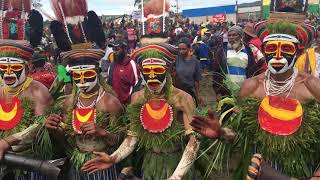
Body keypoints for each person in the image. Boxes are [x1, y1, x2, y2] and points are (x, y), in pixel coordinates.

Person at [191, 19, 320, 179]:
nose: (277, 55)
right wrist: (221, 132)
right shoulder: (251, 87)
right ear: (264, 50)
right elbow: (240, 136)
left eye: (286, 48)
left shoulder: (312, 87)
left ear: (298, 52)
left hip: (299, 171)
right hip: (257, 169)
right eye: (272, 48)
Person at [81, 43, 200, 180]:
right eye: (147, 71)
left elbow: (194, 140)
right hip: (150, 165)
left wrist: (176, 176)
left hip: (176, 163)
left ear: (166, 70)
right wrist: (113, 158)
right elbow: (132, 137)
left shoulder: (182, 99)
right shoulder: (138, 98)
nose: (152, 76)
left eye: (157, 70)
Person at [107, 39, 141, 105]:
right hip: (115, 105)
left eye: (117, 49)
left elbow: (137, 85)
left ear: (125, 49)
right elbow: (109, 84)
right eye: (113, 49)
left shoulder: (132, 65)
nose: (114, 52)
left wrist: (130, 103)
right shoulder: (112, 65)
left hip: (127, 105)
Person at [175, 37, 201, 106]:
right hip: (177, 92)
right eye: (179, 49)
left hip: (189, 92)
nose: (181, 51)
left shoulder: (195, 61)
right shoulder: (176, 59)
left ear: (189, 49)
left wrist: (198, 95)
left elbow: (196, 80)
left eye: (183, 49)